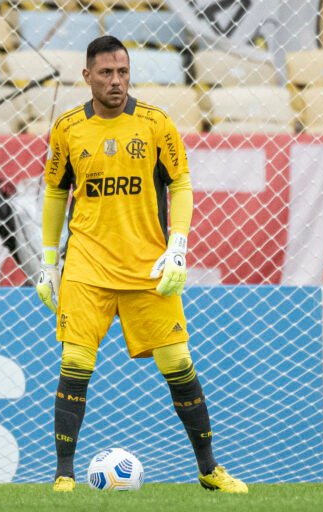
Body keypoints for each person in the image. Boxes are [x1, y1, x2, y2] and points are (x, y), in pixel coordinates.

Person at [35, 35, 248, 494]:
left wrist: (178, 246)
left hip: (147, 267)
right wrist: (50, 263)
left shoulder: (155, 124)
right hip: (87, 266)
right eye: (106, 73)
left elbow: (181, 184)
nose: (116, 81)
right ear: (87, 76)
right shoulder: (68, 128)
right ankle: (64, 474)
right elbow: (55, 193)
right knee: (74, 362)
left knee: (178, 362)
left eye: (123, 72)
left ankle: (209, 469)